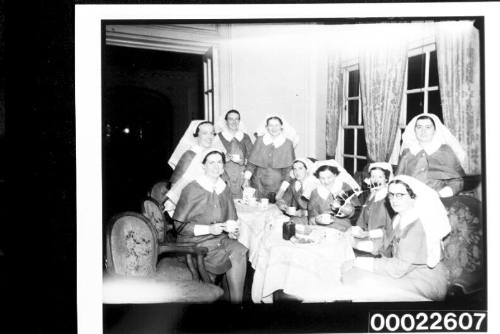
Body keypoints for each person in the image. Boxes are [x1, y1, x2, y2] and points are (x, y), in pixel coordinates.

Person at [341, 175, 451, 301]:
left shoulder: (418, 226)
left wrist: (358, 261)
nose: (394, 200)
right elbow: (387, 242)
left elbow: (397, 268)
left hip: (426, 279)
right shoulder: (400, 217)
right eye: (391, 194)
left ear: (414, 197)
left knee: (360, 281)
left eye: (400, 195)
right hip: (405, 272)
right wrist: (356, 243)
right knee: (351, 273)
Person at [172, 150, 248, 303]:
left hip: (219, 238)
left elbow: (232, 218)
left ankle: (237, 303)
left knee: (240, 250)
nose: (216, 166)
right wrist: (209, 229)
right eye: (211, 162)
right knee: (233, 254)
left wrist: (233, 231)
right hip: (195, 243)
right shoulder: (192, 189)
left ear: (223, 167)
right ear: (203, 166)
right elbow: (178, 226)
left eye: (219, 162)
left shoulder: (224, 188)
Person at [397, 113, 466, 197]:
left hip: (436, 200)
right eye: (419, 127)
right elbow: (398, 179)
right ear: (414, 130)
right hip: (408, 200)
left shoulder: (445, 151)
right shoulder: (407, 152)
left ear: (435, 130)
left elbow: (457, 181)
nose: (423, 131)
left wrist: (439, 194)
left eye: (428, 127)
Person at [165, 120, 226, 216]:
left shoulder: (215, 154)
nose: (210, 137)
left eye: (212, 133)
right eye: (205, 133)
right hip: (192, 206)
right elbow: (175, 184)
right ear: (197, 135)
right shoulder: (189, 155)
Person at [243, 115, 298, 199]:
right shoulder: (260, 140)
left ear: (281, 126)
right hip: (257, 184)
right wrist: (246, 179)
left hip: (277, 186)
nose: (274, 128)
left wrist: (282, 191)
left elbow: (288, 172)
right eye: (271, 125)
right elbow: (251, 164)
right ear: (267, 127)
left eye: (276, 125)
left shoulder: (288, 143)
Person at [351, 162, 395, 255]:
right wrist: (358, 229)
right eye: (373, 176)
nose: (375, 180)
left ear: (386, 179)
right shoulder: (372, 195)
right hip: (367, 237)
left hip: (383, 243)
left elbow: (390, 231)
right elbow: (361, 220)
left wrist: (368, 234)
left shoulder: (390, 200)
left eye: (380, 177)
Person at [307, 160, 361, 231]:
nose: (326, 181)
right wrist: (315, 220)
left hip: (343, 227)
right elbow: (312, 214)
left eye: (329, 177)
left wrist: (348, 211)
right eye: (322, 178)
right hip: (321, 227)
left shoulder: (345, 187)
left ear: (335, 175)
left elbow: (357, 212)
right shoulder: (315, 192)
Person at [215, 110, 254, 198]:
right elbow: (211, 157)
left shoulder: (245, 137)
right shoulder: (218, 137)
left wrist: (243, 162)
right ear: (226, 121)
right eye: (231, 119)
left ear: (239, 121)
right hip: (224, 175)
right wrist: (224, 159)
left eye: (236, 119)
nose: (234, 122)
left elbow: (252, 159)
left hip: (242, 176)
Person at [276, 158, 318, 225]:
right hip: (299, 217)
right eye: (295, 169)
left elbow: (320, 210)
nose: (297, 172)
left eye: (300, 168)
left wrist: (303, 212)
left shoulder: (313, 185)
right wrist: (282, 204)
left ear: (307, 170)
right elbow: (284, 198)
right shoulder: (295, 184)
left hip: (313, 219)